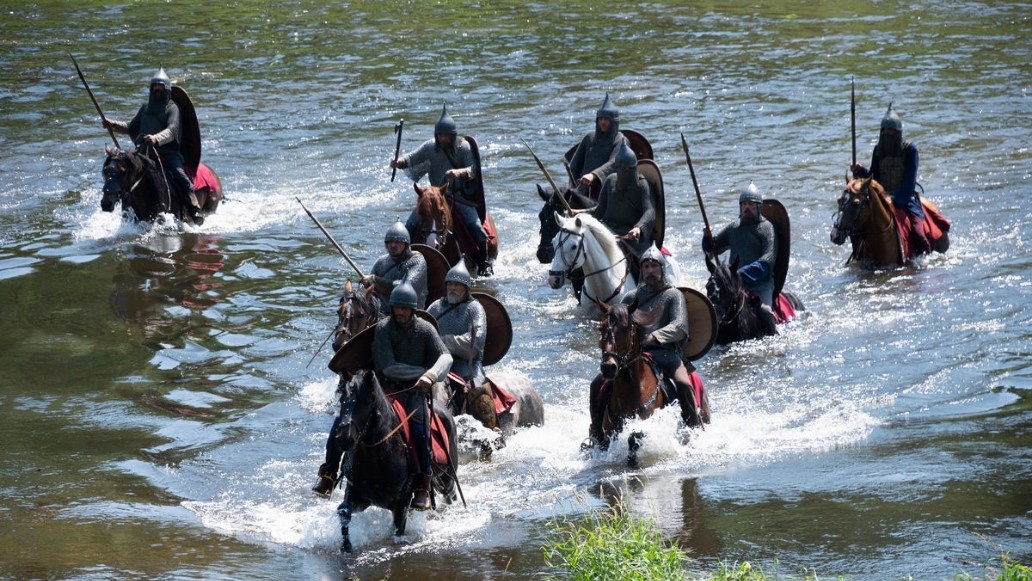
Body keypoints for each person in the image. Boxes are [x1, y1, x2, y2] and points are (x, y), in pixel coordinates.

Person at [586, 245, 707, 447]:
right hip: (632, 355)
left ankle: (692, 431)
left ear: (661, 269)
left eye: (654, 266)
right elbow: (615, 324)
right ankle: (597, 435)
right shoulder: (631, 298)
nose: (650, 270)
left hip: (666, 354)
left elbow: (679, 327)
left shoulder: (673, 295)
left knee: (684, 384)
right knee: (596, 384)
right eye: (646, 266)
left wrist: (654, 337)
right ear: (641, 270)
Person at [371, 281, 453, 510]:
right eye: (397, 308)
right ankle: (335, 472)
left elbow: (446, 358)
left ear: (412, 309)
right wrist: (422, 371)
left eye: (404, 309)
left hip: (416, 393)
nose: (399, 312)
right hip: (388, 392)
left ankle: (423, 485)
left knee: (419, 431)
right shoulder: (384, 328)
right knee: (355, 424)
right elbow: (388, 367)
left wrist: (432, 375)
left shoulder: (425, 329)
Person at [390, 106, 492, 275]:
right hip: (433, 198)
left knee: (477, 229)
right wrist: (398, 162)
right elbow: (411, 158)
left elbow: (474, 169)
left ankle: (484, 264)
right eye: (440, 135)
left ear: (453, 135)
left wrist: (459, 172)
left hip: (459, 197)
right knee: (409, 227)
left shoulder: (464, 147)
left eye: (446, 135)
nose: (443, 138)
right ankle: (402, 263)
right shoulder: (430, 147)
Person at [103, 67, 204, 225]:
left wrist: (156, 138)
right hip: (144, 155)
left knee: (180, 176)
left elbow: (172, 131)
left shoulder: (172, 108)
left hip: (168, 155)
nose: (157, 89)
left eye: (160, 87)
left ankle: (193, 205)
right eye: (155, 86)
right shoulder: (145, 108)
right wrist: (113, 125)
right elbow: (131, 127)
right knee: (125, 175)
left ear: (166, 89)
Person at [850, 104, 931, 255]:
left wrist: (892, 199)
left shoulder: (910, 150)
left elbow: (909, 183)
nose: (887, 133)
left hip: (905, 200)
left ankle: (925, 261)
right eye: (885, 130)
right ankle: (859, 258)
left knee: (919, 233)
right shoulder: (878, 150)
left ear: (897, 132)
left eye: (891, 130)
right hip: (882, 200)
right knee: (856, 229)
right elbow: (874, 177)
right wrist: (860, 171)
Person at [426, 261, 497, 429]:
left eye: (457, 285)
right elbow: (422, 330)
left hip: (466, 365)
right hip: (439, 363)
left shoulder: (474, 308)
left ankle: (493, 432)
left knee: (479, 394)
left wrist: (443, 341)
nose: (453, 288)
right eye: (450, 284)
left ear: (466, 288)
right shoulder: (435, 307)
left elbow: (475, 343)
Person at [574, 141, 655, 282]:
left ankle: (646, 289)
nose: (624, 173)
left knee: (648, 260)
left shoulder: (642, 185)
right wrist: (580, 212)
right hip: (607, 230)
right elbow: (599, 211)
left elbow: (650, 211)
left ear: (633, 168)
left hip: (630, 235)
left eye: (627, 170)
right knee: (582, 249)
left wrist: (638, 228)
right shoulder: (610, 181)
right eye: (621, 170)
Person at [703, 183, 778, 317]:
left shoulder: (767, 228)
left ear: (759, 207)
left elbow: (767, 262)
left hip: (760, 284)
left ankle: (777, 333)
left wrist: (738, 274)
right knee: (715, 308)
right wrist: (707, 239)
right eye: (744, 204)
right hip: (734, 285)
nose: (747, 207)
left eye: (751, 204)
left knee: (765, 312)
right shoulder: (733, 228)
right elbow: (713, 249)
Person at [568, 92, 629, 196]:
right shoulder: (589, 138)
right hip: (582, 190)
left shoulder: (621, 140)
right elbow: (574, 165)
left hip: (608, 193)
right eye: (601, 119)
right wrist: (571, 187)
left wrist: (594, 175)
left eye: (606, 119)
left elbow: (613, 163)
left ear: (613, 122)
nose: (603, 122)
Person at [361, 220, 429, 314]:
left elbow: (404, 288)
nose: (393, 245)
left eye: (397, 242)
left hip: (408, 313)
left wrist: (376, 280)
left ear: (405, 244)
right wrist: (366, 284)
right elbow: (368, 289)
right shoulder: (381, 262)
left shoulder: (417, 261)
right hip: (381, 313)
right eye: (390, 242)